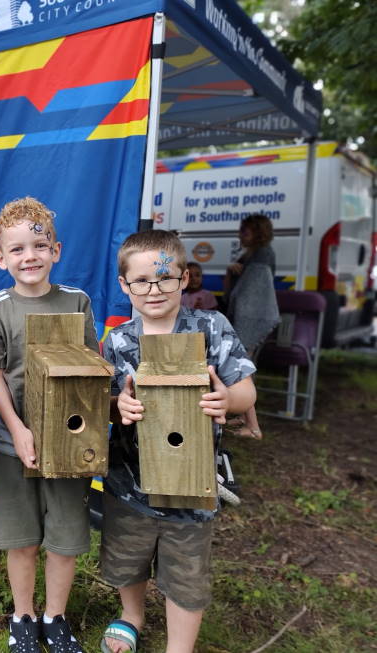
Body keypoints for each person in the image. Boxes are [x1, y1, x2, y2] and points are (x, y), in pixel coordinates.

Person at [100, 230, 256, 653]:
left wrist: (228, 398)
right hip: (129, 483)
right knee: (128, 557)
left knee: (187, 572)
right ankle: (132, 615)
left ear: (184, 279)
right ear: (123, 285)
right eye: (142, 281)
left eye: (166, 279)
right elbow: (104, 404)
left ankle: (179, 646)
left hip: (192, 486)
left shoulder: (210, 328)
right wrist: (119, 406)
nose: (154, 290)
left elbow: (246, 390)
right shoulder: (117, 341)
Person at [0, 197, 99, 653]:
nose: (30, 256)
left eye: (39, 245)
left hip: (66, 447)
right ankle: (23, 616)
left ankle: (55, 617)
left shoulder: (76, 302)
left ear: (56, 250)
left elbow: (91, 366)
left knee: (64, 537)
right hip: (12, 444)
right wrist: (20, 429)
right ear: (1, 258)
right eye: (18, 249)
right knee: (22, 537)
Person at [223, 214, 279, 439]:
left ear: (257, 232)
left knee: (242, 369)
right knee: (245, 368)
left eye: (244, 231)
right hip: (249, 317)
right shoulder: (249, 255)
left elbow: (254, 293)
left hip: (252, 319)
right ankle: (246, 417)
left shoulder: (262, 255)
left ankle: (253, 427)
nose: (240, 235)